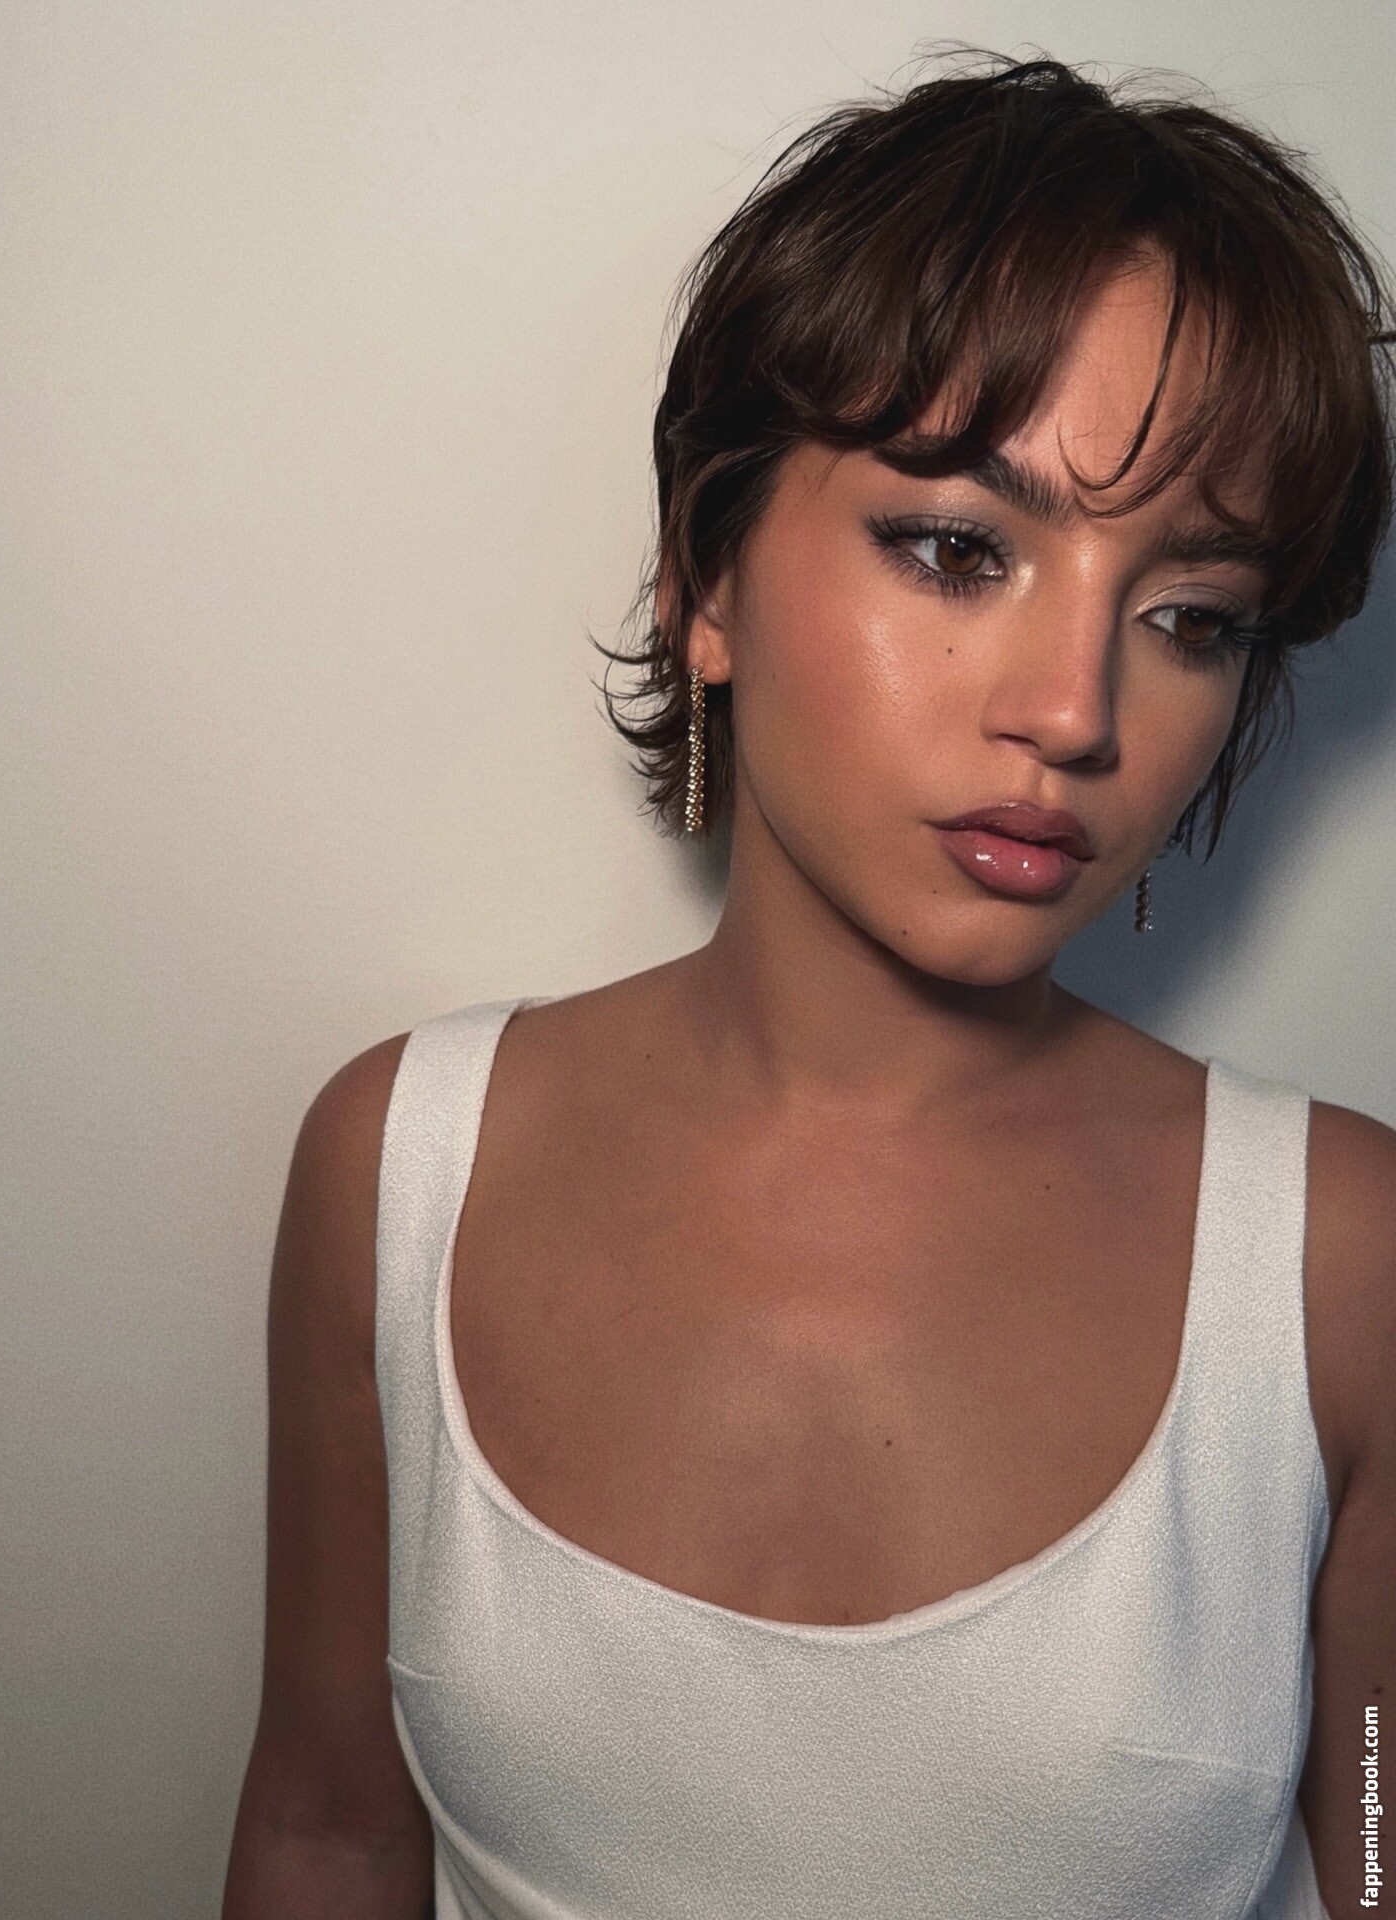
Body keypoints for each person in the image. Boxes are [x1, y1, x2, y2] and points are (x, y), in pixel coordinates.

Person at [223, 49, 1395, 1920]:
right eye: (958, 548)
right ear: (708, 577)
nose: (1075, 712)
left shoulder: (1342, 1264)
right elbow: (328, 1828)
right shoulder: (401, 1169)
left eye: (1192, 616)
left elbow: (1382, 1845)